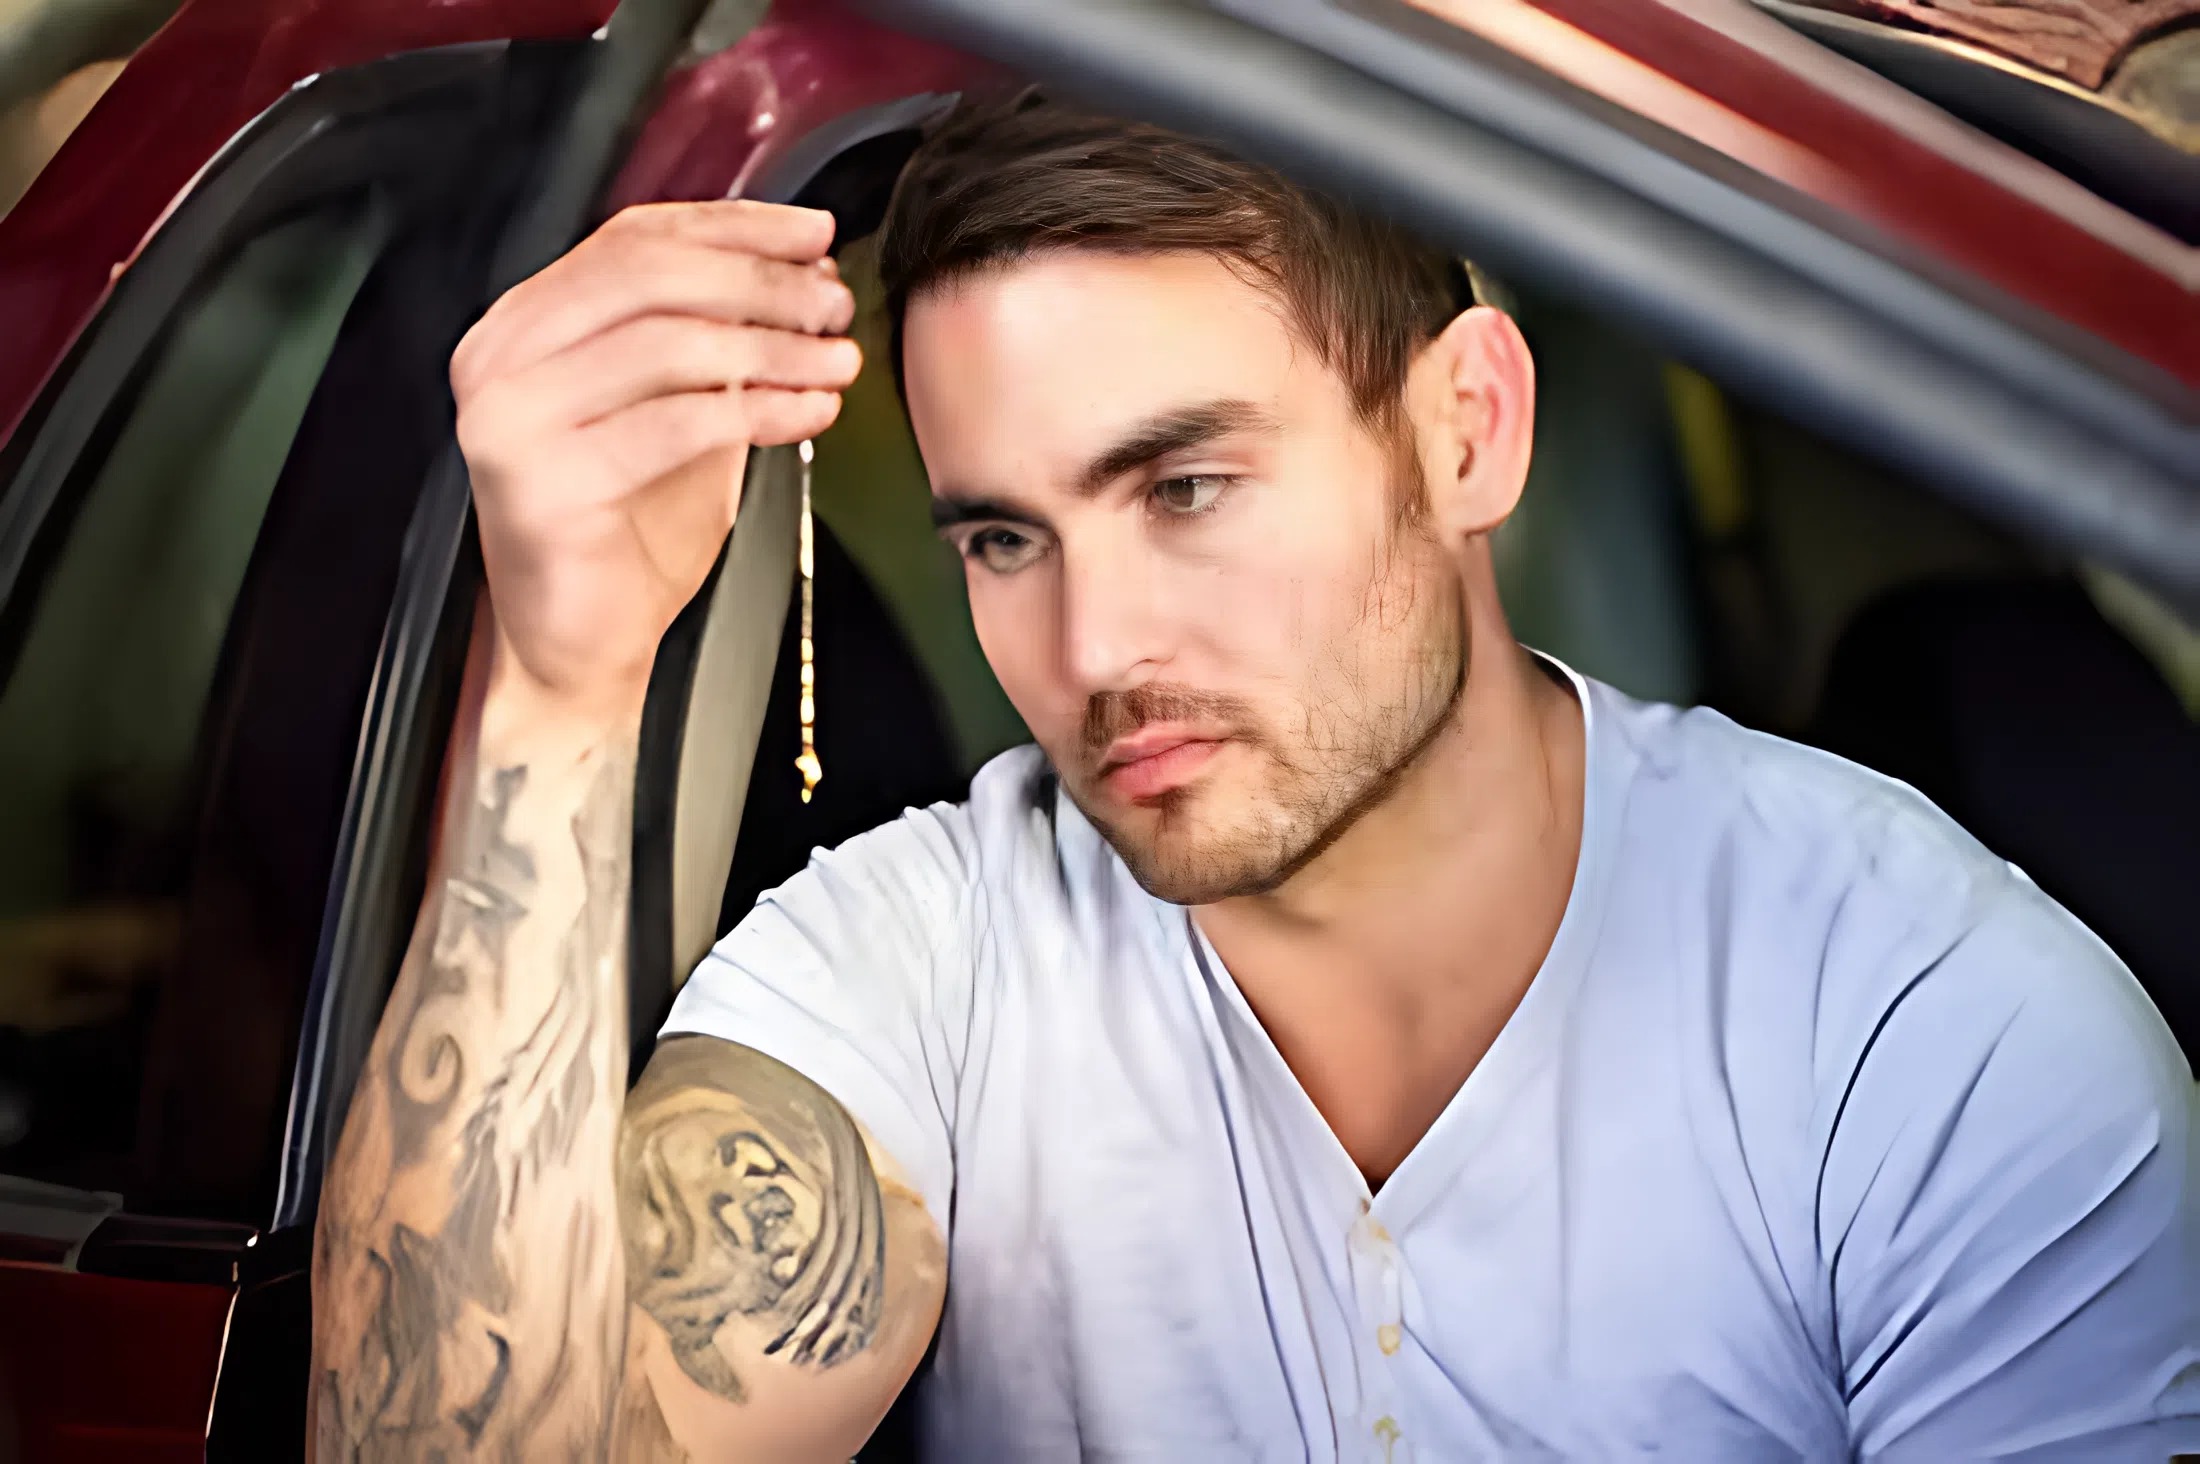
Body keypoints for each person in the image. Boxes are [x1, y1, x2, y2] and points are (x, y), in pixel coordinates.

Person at [308, 99, 2198, 1461]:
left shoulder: (1931, 1031)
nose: (1094, 645)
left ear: (1467, 431)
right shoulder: (925, 958)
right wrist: (559, 687)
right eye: (1004, 539)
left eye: (1185, 487)